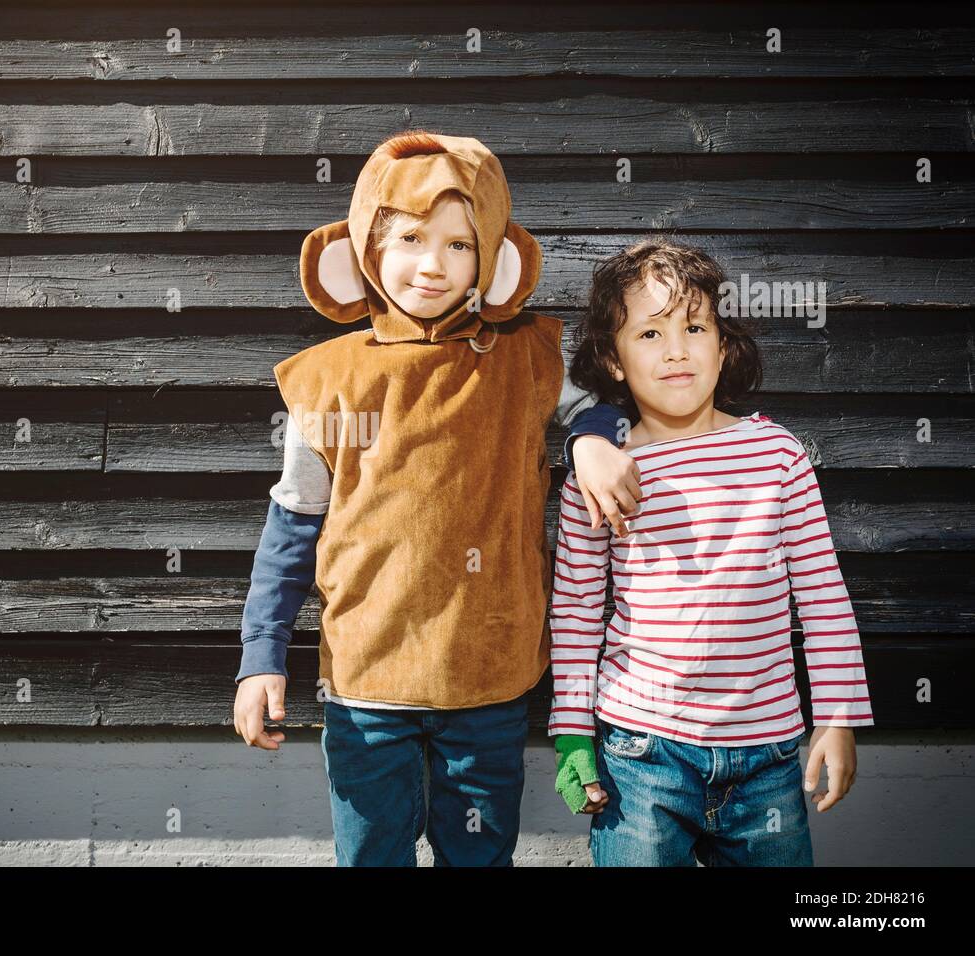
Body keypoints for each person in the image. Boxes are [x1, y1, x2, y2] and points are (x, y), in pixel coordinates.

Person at [230, 129, 641, 866]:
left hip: (485, 679)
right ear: (363, 250)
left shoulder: (522, 358)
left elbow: (592, 409)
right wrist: (261, 657)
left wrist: (591, 443)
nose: (433, 264)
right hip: (366, 686)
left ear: (493, 254)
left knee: (479, 857)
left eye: (459, 244)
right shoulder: (331, 380)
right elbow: (292, 526)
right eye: (413, 238)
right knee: (371, 855)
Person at [547, 237, 874, 866]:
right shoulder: (604, 471)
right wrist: (570, 734)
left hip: (770, 758)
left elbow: (824, 593)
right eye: (648, 334)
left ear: (723, 347)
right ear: (612, 361)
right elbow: (578, 610)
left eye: (694, 327)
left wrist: (837, 716)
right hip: (642, 755)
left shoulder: (777, 457)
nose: (675, 350)